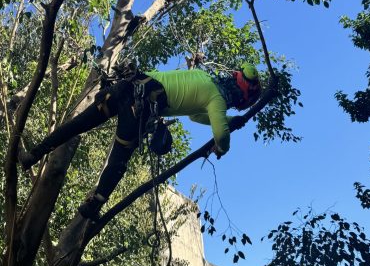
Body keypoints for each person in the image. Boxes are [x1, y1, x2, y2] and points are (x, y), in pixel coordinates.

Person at [20, 64, 262, 219]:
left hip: (128, 87)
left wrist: (230, 121)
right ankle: (93, 205)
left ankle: (34, 154)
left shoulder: (203, 77)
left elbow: (196, 116)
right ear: (240, 97)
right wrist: (221, 148)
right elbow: (220, 135)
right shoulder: (217, 99)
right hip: (140, 108)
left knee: (78, 124)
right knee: (118, 161)